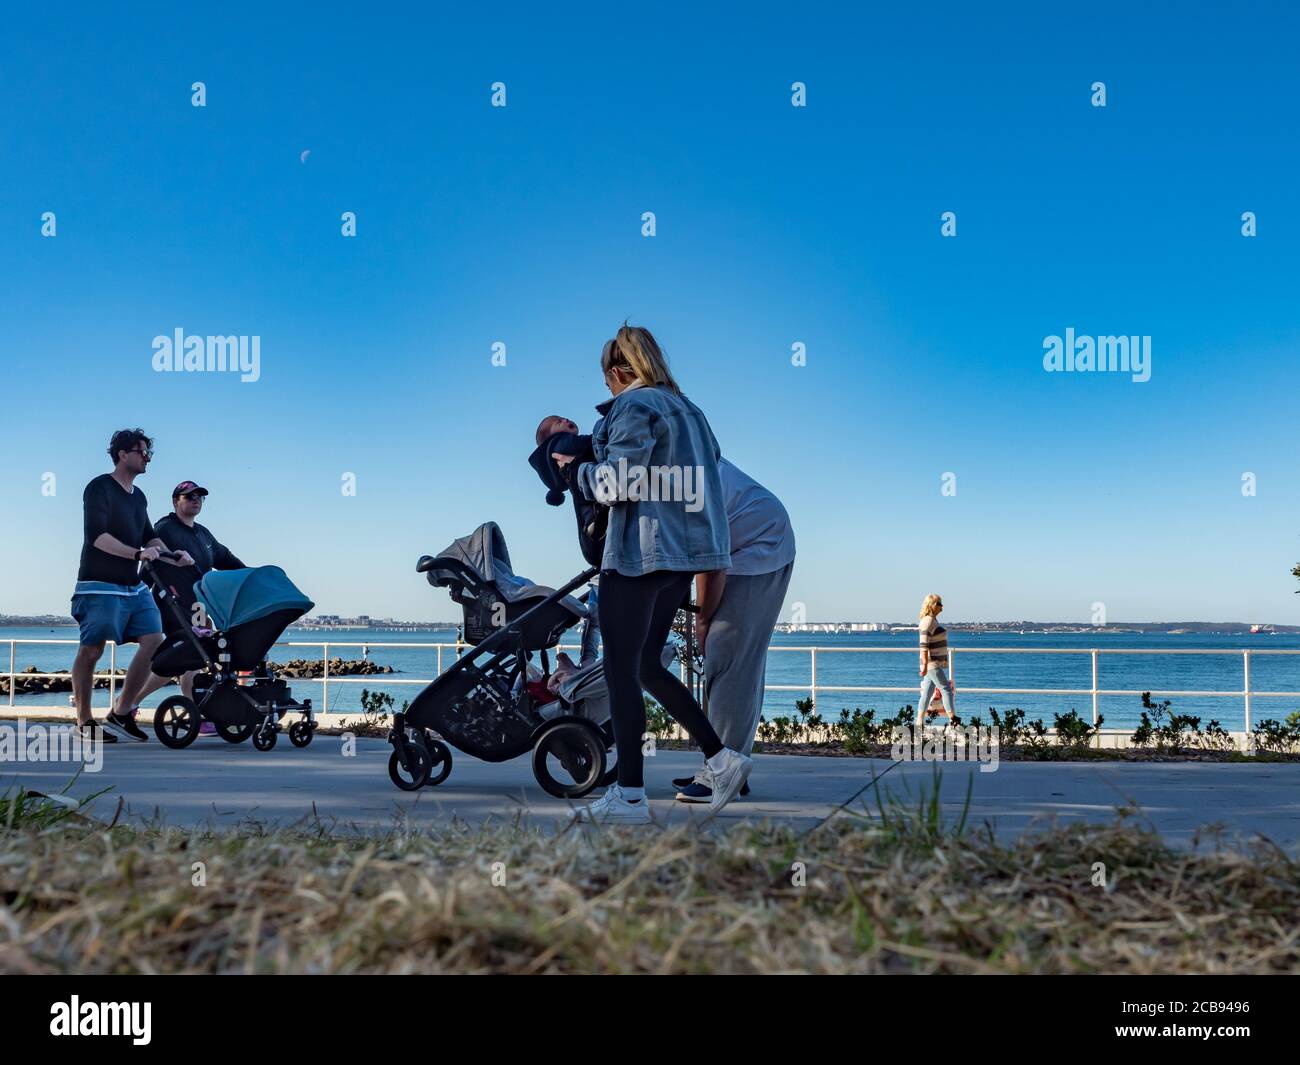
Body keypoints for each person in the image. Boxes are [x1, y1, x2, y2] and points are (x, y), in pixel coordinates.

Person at [553, 324, 751, 823]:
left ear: (619, 371)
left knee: (621, 671)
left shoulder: (633, 405)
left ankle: (632, 796)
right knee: (644, 665)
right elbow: (707, 465)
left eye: (608, 381)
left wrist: (573, 472)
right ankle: (722, 759)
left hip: (642, 553)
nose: (609, 391)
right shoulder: (692, 412)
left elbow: (618, 483)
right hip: (685, 556)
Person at [673, 458, 796, 803]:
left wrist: (702, 619)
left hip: (761, 547)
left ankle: (720, 774)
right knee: (731, 660)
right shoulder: (673, 467)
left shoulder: (684, 480)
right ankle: (723, 765)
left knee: (729, 658)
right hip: (753, 542)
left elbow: (709, 564)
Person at [70, 429, 195, 744]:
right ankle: (84, 720)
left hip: (132, 586)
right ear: (122, 454)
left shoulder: (139, 497)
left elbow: (148, 534)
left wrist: (170, 556)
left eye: (148, 453)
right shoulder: (99, 488)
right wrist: (137, 554)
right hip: (98, 584)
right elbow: (97, 537)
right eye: (142, 452)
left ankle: (122, 711)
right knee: (92, 649)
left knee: (154, 639)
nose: (148, 458)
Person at [134, 481, 246, 732]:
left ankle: (193, 711)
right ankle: (131, 703)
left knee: (194, 659)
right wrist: (138, 596)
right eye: (189, 496)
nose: (196, 500)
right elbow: (150, 565)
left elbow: (224, 558)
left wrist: (250, 574)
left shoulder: (203, 534)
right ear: (176, 502)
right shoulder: (164, 528)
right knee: (186, 656)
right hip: (172, 601)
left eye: (200, 497)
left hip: (200, 606)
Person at [528, 414, 606, 677]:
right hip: (599, 532)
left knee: (596, 605)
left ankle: (587, 661)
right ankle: (587, 663)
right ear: (549, 435)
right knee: (598, 603)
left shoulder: (563, 455)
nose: (567, 419)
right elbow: (590, 444)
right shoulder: (560, 445)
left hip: (593, 537)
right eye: (558, 420)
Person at [917, 593, 956, 726]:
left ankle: (918, 722)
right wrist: (924, 665)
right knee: (946, 690)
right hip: (931, 663)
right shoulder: (928, 621)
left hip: (932, 663)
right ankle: (953, 720)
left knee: (927, 693)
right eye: (939, 604)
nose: (942, 607)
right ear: (932, 605)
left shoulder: (932, 620)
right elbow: (923, 645)